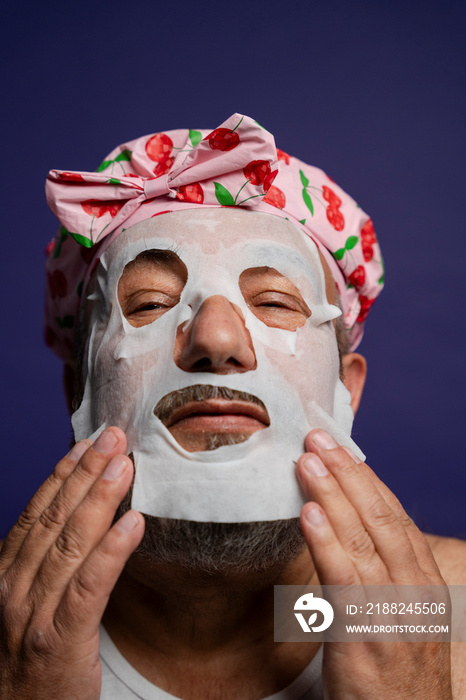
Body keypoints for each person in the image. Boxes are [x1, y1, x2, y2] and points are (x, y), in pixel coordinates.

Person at [1, 113, 465, 699]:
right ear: (79, 392)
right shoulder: (10, 643)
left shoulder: (448, 615)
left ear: (345, 392)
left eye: (273, 300)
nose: (216, 339)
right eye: (147, 304)